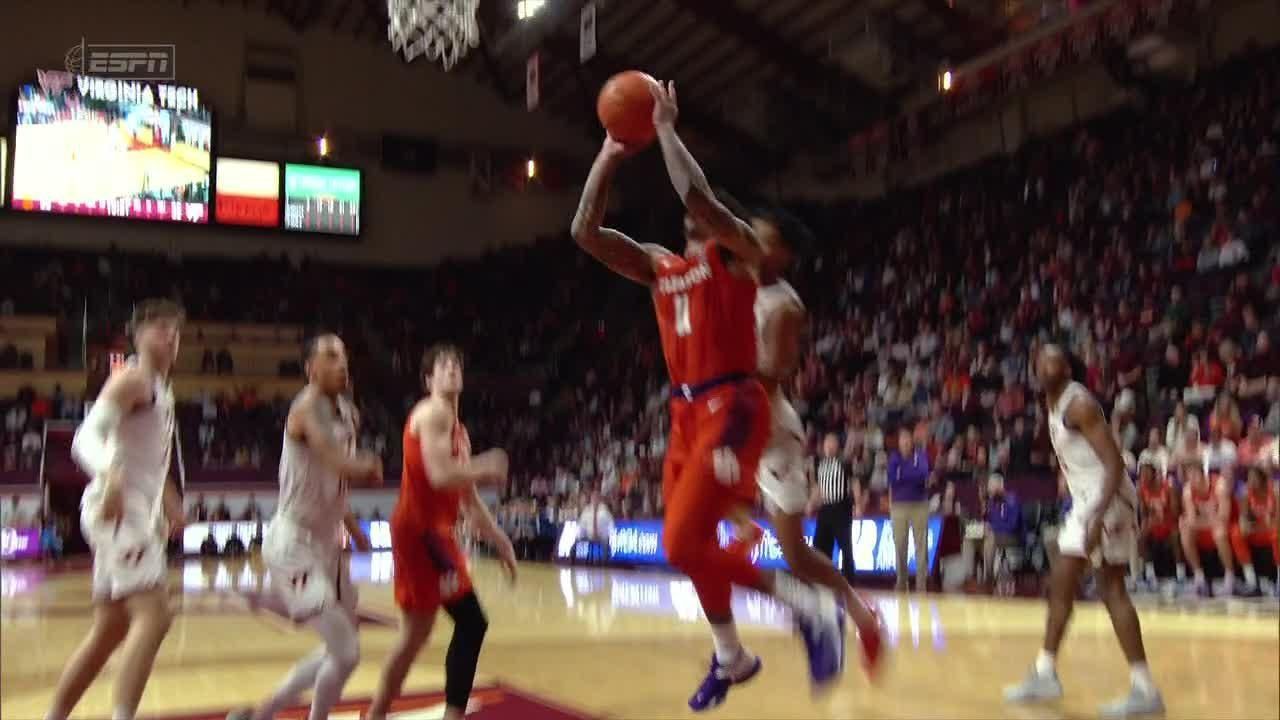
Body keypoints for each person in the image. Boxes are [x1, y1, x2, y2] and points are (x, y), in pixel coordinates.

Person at [571, 81, 844, 712]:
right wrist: (610, 155)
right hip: (684, 413)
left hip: (734, 406)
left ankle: (807, 608)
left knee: (679, 542)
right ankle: (732, 655)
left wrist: (665, 128)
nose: (697, 209)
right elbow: (585, 230)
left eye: (712, 207)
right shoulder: (661, 265)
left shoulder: (739, 254)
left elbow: (698, 194)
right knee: (687, 548)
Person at [724, 209, 883, 674]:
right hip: (737, 425)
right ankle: (733, 651)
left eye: (764, 239)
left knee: (795, 554)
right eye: (749, 234)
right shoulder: (735, 284)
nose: (751, 242)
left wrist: (722, 395)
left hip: (769, 432)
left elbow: (772, 376)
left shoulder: (785, 305)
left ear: (784, 254)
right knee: (704, 536)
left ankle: (856, 615)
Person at [229, 334, 384, 720]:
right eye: (331, 356)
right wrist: (365, 464)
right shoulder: (305, 409)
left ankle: (263, 714)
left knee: (340, 648)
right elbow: (334, 461)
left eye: (344, 356)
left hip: (328, 543)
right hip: (293, 542)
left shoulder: (349, 413)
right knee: (347, 653)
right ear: (310, 368)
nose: (342, 364)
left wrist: (353, 525)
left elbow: (335, 483)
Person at [45, 299, 187, 720]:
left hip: (133, 511)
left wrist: (170, 502)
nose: (170, 336)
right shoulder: (133, 379)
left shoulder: (162, 389)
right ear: (136, 335)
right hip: (120, 511)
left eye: (175, 330)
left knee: (109, 631)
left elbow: (149, 461)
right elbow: (85, 439)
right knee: (155, 616)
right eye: (160, 328)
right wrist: (110, 474)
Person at [1004, 344, 1163, 717]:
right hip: (1089, 500)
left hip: (1107, 499)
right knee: (1061, 582)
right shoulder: (1054, 405)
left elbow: (1114, 463)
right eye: (1042, 359)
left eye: (1056, 360)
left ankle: (1144, 689)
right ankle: (1045, 671)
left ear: (1067, 368)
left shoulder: (1079, 405)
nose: (1049, 364)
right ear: (1034, 368)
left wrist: (1097, 515)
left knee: (1111, 588)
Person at [367, 345, 516, 720]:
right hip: (419, 532)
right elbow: (440, 475)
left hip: (433, 533)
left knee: (420, 637)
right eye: (442, 366)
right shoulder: (432, 413)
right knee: (460, 624)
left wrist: (498, 538)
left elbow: (466, 498)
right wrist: (487, 464)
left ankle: (378, 715)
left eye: (456, 364)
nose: (451, 369)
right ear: (429, 380)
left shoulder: (459, 432)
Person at [1179, 463, 1251, 597]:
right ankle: (1199, 578)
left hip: (1226, 525)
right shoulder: (1188, 490)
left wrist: (1204, 521)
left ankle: (1230, 577)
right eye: (1190, 477)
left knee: (1219, 532)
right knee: (1185, 531)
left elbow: (1224, 516)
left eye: (1195, 475)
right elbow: (1191, 520)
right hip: (1206, 527)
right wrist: (1209, 521)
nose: (1192, 479)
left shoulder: (1219, 485)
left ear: (1203, 474)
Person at [888, 427, 932, 592]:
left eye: (908, 439)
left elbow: (923, 474)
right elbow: (893, 478)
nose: (905, 442)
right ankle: (902, 580)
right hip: (898, 506)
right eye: (902, 439)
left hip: (919, 505)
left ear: (912, 441)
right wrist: (910, 476)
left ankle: (921, 582)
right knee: (900, 544)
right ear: (898, 443)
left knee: (921, 544)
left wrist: (904, 475)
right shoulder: (893, 458)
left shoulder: (920, 456)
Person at [1136, 460, 1183, 592]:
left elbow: (1175, 513)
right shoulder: (1141, 490)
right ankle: (1149, 574)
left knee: (1175, 536)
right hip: (1153, 524)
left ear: (1154, 474)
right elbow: (1144, 515)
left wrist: (1160, 516)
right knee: (1141, 536)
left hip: (1168, 523)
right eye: (1141, 474)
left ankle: (1180, 573)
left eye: (1146, 474)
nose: (1143, 477)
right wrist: (1149, 520)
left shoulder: (1168, 487)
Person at [1232, 467, 1278, 596]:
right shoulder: (1246, 494)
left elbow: (1277, 522)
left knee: (1276, 535)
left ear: (1262, 479)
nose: (1250, 481)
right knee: (1237, 533)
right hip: (1259, 531)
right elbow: (1243, 517)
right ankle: (1251, 581)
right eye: (1249, 478)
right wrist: (1244, 525)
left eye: (1254, 478)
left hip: (1272, 530)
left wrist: (1265, 525)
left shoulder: (1274, 491)